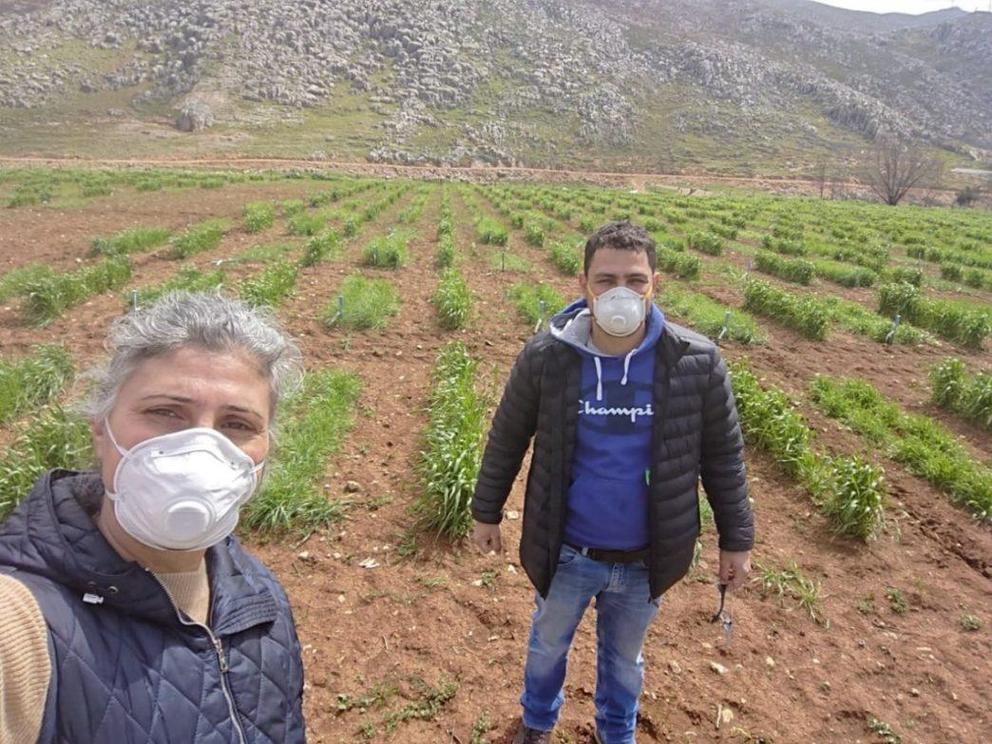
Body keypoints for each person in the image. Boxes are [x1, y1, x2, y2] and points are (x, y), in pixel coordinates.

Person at [471, 221, 754, 744]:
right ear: (584, 285)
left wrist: (736, 541)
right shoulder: (547, 358)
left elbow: (724, 460)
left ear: (655, 285)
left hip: (647, 556)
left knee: (625, 661)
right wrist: (486, 511)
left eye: (635, 280)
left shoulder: (695, 362)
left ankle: (616, 732)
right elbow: (507, 438)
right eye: (605, 281)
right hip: (567, 551)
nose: (620, 292)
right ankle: (537, 722)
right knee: (547, 644)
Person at [0, 291, 308, 744]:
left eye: (237, 424)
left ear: (263, 453)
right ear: (101, 430)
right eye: (165, 412)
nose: (200, 447)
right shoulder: (19, 625)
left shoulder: (257, 597)